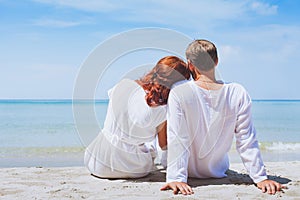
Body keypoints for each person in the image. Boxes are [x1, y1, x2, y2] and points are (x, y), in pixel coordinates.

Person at [161, 40, 286, 195]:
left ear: (190, 65)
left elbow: (178, 138)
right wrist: (260, 177)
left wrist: (177, 178)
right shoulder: (237, 92)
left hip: (187, 172)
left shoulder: (179, 92)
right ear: (216, 61)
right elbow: (246, 139)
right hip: (218, 171)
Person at [84, 56, 190, 178]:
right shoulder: (163, 109)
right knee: (149, 149)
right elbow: (163, 146)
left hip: (97, 161)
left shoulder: (123, 84)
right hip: (132, 168)